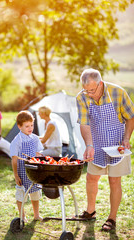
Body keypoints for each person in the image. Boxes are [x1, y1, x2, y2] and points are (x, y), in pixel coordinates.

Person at [76, 68, 134, 231]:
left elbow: (130, 117)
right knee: (91, 178)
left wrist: (126, 138)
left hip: (118, 146)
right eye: (86, 90)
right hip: (97, 145)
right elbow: (84, 123)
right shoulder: (82, 97)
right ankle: (90, 211)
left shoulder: (118, 92)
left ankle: (112, 219)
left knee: (114, 181)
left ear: (100, 84)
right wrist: (89, 145)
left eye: (92, 90)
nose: (89, 94)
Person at [10, 110, 43, 222]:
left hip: (34, 172)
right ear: (19, 126)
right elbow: (14, 159)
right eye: (27, 126)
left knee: (35, 193)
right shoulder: (17, 141)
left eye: (32, 125)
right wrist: (16, 175)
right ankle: (22, 216)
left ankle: (36, 215)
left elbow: (38, 153)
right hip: (22, 173)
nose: (30, 128)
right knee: (21, 195)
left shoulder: (35, 138)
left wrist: (39, 162)